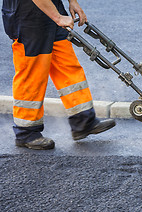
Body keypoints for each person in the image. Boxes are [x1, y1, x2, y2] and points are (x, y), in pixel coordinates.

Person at [1, 0, 116, 150]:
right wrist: (58, 17)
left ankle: (83, 120)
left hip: (50, 7)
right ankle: (26, 132)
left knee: (67, 64)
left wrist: (72, 2)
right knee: (32, 74)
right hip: (26, 14)